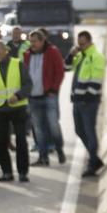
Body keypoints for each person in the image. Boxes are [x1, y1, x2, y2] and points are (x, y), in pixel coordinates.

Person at [0, 40, 32, 182]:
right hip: (0, 110)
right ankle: (7, 172)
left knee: (21, 140)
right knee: (1, 141)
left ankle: (23, 172)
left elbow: (28, 84)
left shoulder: (18, 64)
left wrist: (18, 95)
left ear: (6, 50)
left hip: (18, 108)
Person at [23, 30, 66, 166]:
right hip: (33, 97)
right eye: (31, 41)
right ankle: (43, 157)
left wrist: (54, 89)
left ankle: (59, 149)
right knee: (38, 129)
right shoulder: (28, 55)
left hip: (49, 96)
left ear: (42, 41)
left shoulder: (52, 52)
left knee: (53, 126)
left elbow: (60, 71)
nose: (32, 44)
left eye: (35, 41)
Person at [69, 31, 107, 178]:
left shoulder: (96, 57)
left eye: (83, 43)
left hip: (88, 102)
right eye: (79, 43)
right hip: (77, 101)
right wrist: (72, 54)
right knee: (79, 130)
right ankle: (95, 159)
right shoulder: (80, 56)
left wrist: (87, 99)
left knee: (90, 131)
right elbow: (66, 67)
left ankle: (92, 164)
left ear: (90, 42)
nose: (81, 46)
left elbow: (96, 82)